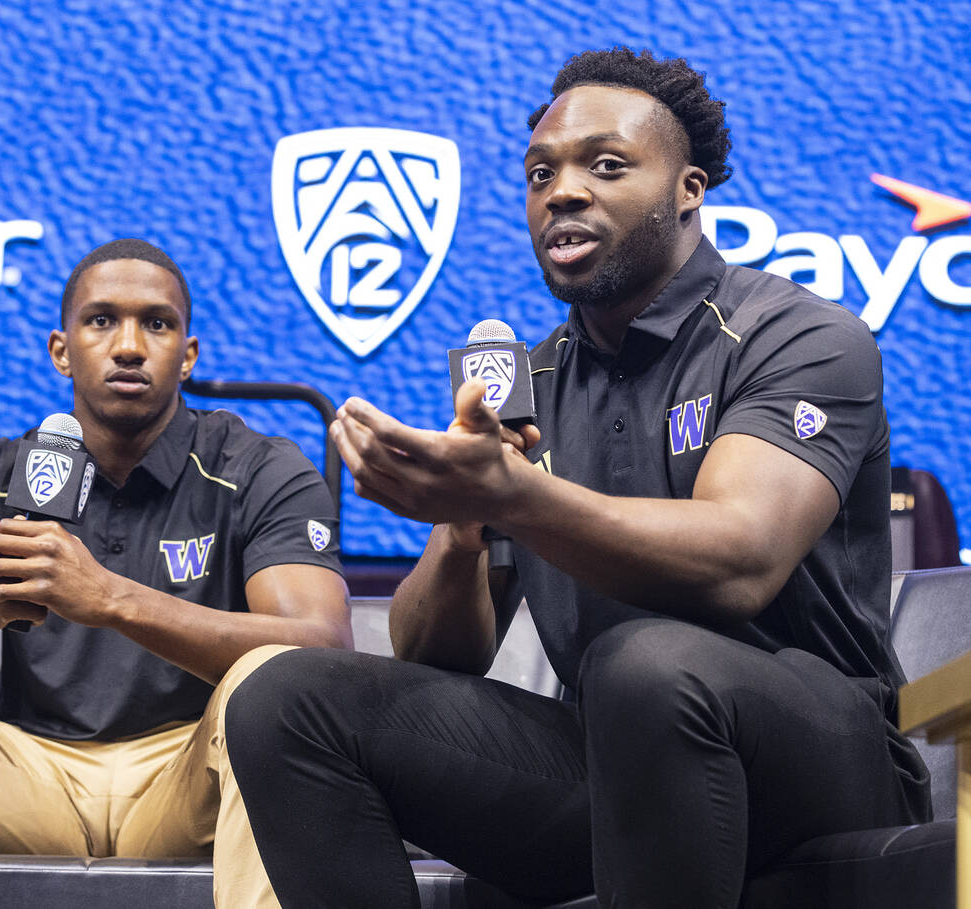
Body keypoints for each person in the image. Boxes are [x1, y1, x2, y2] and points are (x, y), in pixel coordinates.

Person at [223, 48, 931, 908]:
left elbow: (739, 559)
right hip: (614, 761)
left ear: (689, 189)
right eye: (538, 173)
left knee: (646, 663)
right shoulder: (532, 383)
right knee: (284, 699)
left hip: (822, 763)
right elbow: (439, 653)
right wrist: (463, 524)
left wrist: (515, 495)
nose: (561, 190)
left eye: (606, 165)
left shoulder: (796, 334)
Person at [0, 238, 351, 909]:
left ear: (187, 356)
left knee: (271, 680)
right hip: (20, 782)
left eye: (156, 323)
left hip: (192, 779)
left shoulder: (257, 467)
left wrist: (108, 597)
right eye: (101, 320)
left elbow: (321, 653)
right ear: (61, 349)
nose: (129, 345)